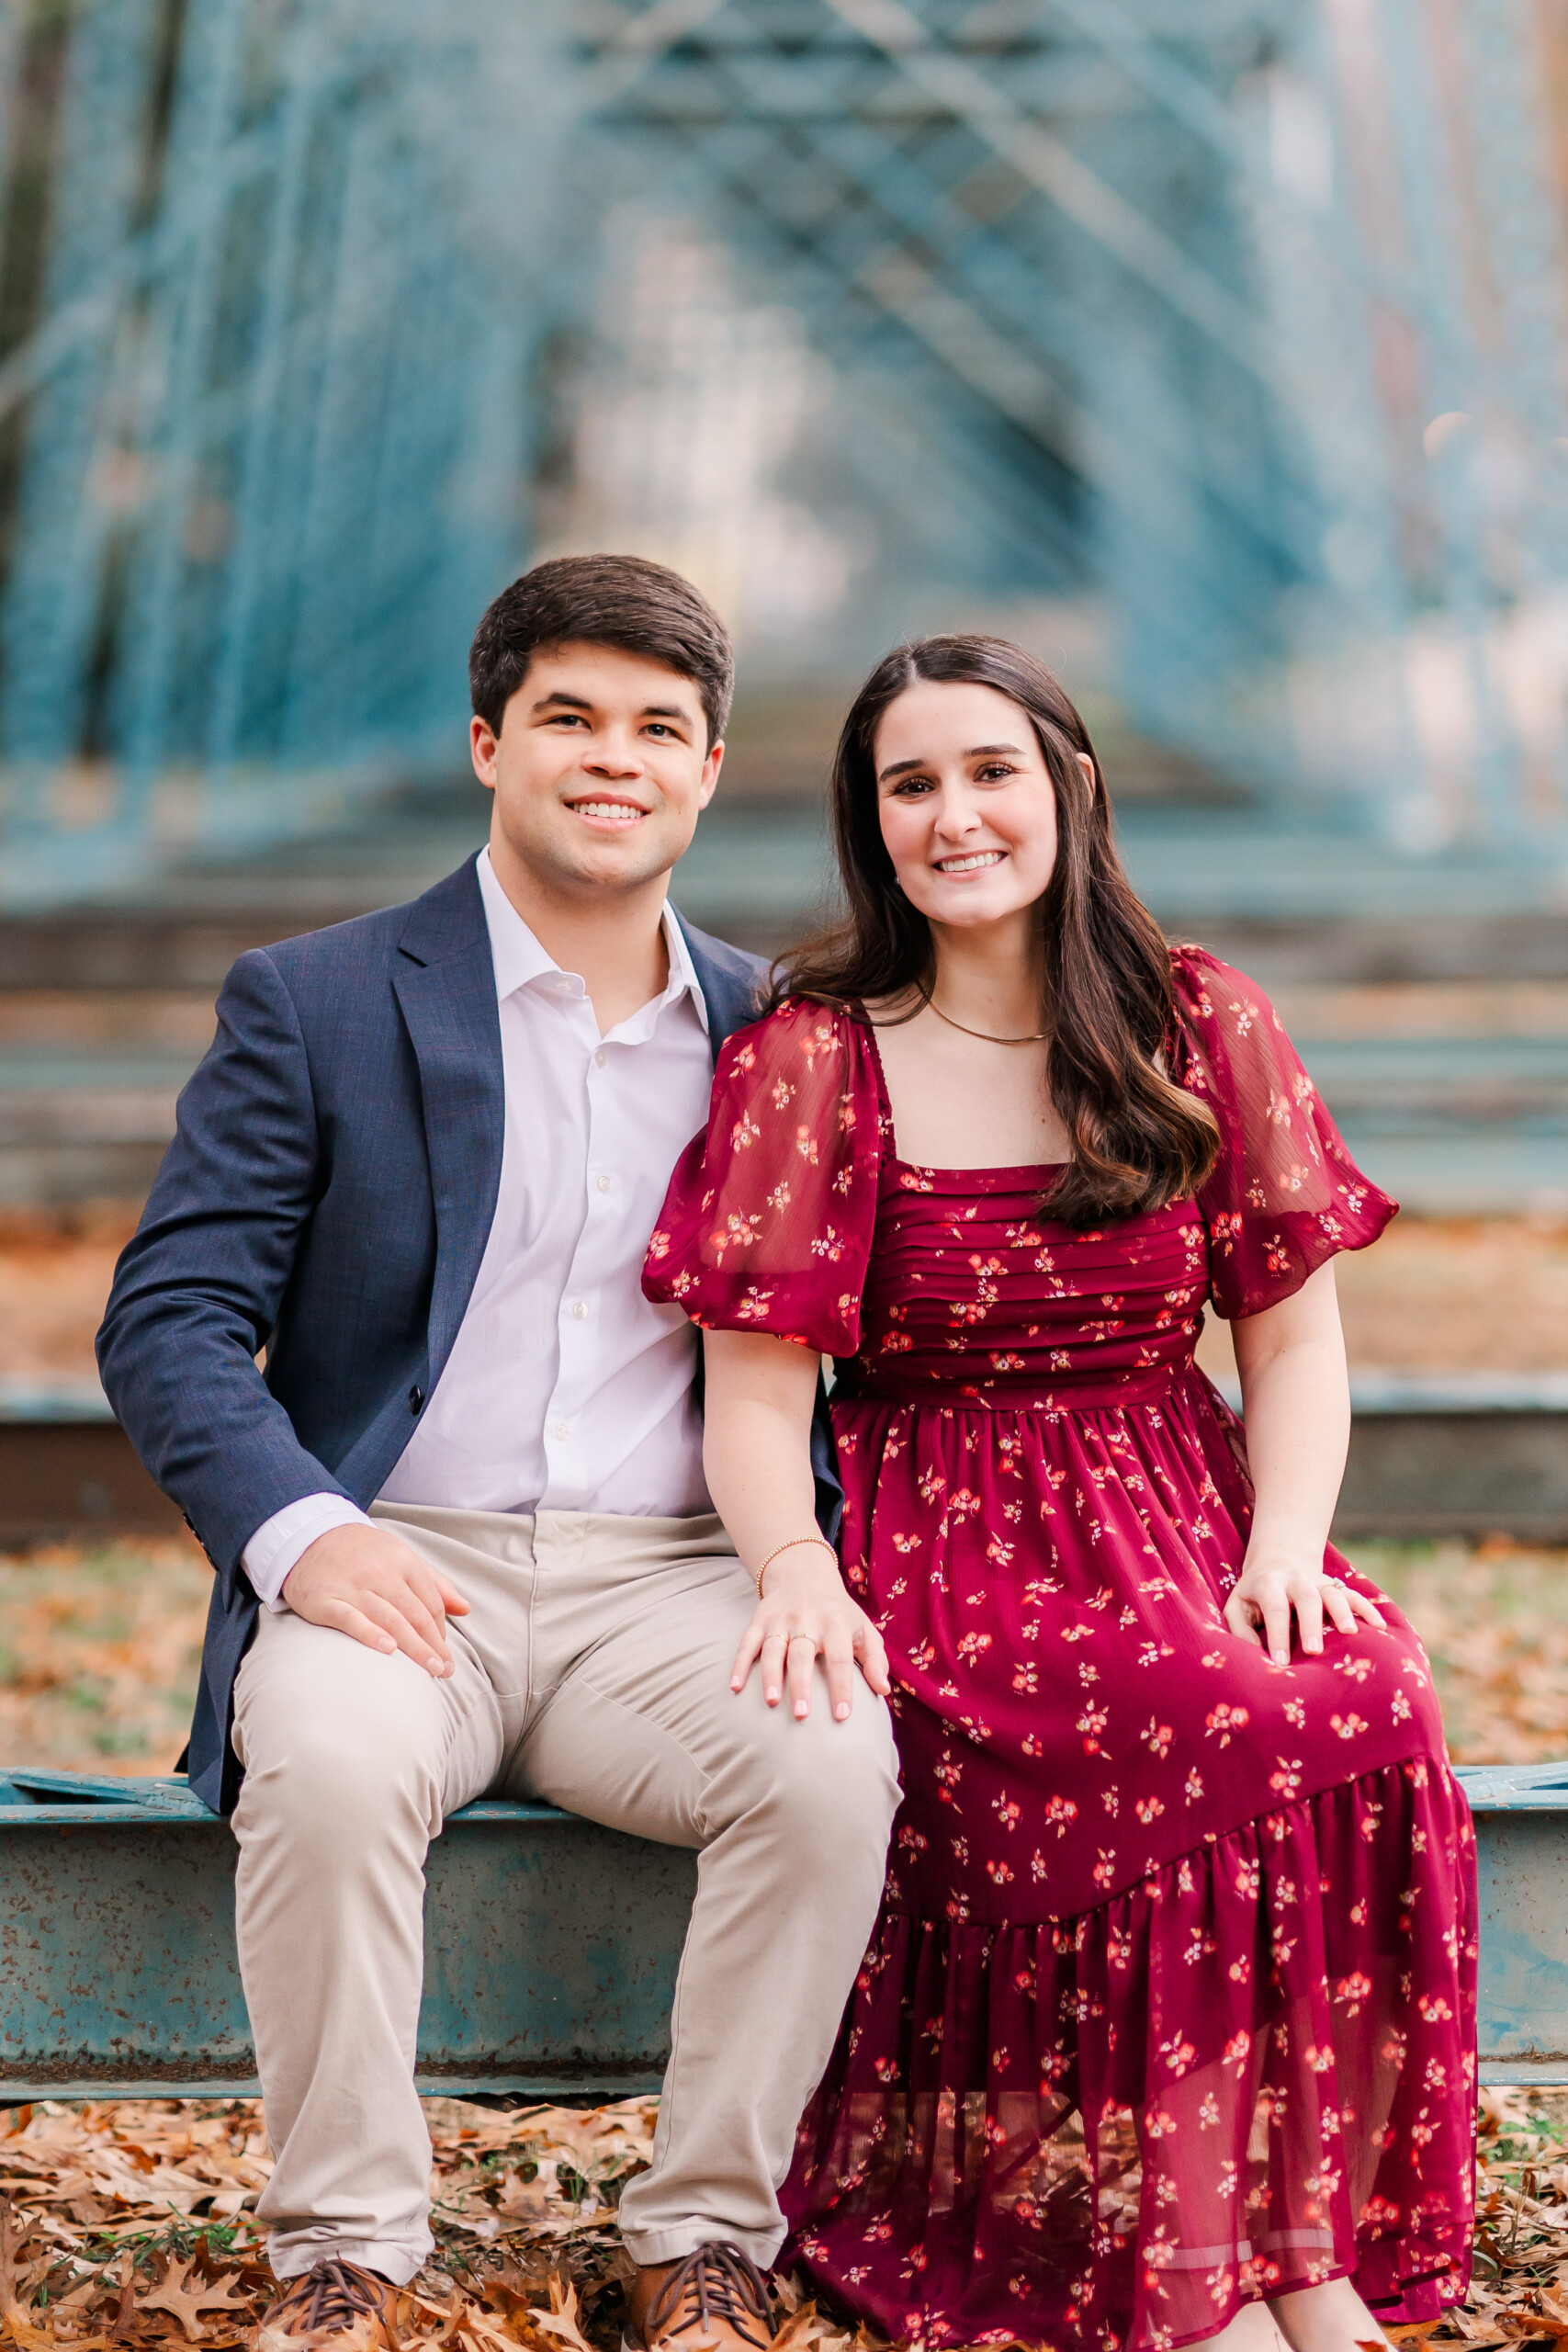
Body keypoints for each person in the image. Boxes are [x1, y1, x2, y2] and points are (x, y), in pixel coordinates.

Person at [96, 555, 900, 2352]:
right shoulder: (310, 1002)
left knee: (831, 1760)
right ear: (488, 742)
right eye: (567, 717)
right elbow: (165, 1321)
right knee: (320, 1746)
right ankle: (349, 2249)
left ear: (702, 772)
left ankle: (701, 2235)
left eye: (655, 729)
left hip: (676, 1584)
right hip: (403, 1561)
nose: (610, 757)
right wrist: (304, 1531)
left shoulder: (784, 1035)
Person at [644, 634, 1477, 2352]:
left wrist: (1288, 1550)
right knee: (1184, 1714)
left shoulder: (1196, 1016)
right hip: (941, 1525)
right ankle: (1169, 2266)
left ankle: (1291, 2238)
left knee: (1360, 1689)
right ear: (871, 827)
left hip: (1173, 1486)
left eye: (991, 770)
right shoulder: (820, 1054)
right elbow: (754, 1397)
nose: (956, 816)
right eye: (911, 786)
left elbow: (1294, 1347)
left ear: (1070, 788)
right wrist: (795, 1569)